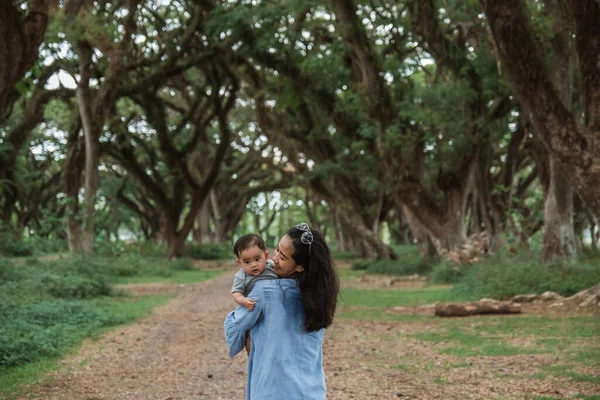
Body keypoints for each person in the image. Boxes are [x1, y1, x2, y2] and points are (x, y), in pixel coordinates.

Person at [224, 223, 340, 400]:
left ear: (299, 266)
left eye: (283, 257)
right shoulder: (319, 297)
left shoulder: (265, 291)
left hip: (273, 391)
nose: (274, 259)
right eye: (277, 250)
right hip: (312, 391)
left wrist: (247, 332)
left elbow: (234, 331)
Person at [231, 233, 278, 311]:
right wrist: (243, 301)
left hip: (275, 303)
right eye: (247, 262)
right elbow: (236, 293)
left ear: (265, 256)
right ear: (240, 263)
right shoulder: (241, 276)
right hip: (255, 307)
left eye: (257, 259)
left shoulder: (271, 265)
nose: (253, 265)